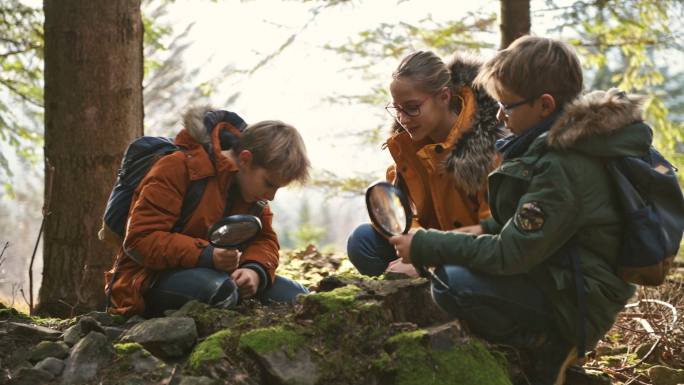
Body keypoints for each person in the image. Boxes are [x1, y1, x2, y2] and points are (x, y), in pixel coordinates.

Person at [390, 36, 643, 385]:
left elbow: (511, 253)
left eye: (507, 107)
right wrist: (471, 232)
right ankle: (535, 350)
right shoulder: (546, 148)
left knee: (454, 283)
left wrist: (425, 246)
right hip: (557, 276)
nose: (498, 115)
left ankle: (545, 344)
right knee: (455, 270)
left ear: (544, 105)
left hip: (576, 301)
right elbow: (513, 225)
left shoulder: (564, 165)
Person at [105, 106, 311, 317]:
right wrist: (206, 254)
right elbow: (140, 240)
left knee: (300, 299)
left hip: (221, 275)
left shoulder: (252, 193)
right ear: (246, 159)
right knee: (219, 292)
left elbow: (264, 239)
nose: (271, 196)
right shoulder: (177, 167)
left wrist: (254, 270)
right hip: (147, 280)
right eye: (269, 184)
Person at [347, 51, 503, 277]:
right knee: (362, 241)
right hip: (430, 246)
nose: (403, 118)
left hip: (472, 253)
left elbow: (493, 236)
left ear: (444, 96)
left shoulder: (490, 147)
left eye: (412, 107)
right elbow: (403, 215)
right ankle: (415, 296)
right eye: (397, 109)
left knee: (455, 275)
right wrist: (413, 245)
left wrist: (424, 259)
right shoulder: (408, 146)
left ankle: (445, 293)